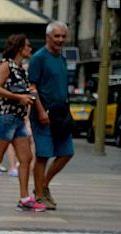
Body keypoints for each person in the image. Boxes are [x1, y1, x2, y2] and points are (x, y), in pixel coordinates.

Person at [0, 34, 45, 212]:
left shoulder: (20, 68)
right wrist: (19, 97)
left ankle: (25, 198)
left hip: (18, 119)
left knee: (26, 158)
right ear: (20, 47)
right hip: (6, 117)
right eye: (28, 46)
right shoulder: (6, 65)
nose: (30, 49)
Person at [28, 21, 73, 210]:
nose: (60, 40)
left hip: (61, 113)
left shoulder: (61, 59)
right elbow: (32, 88)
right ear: (48, 37)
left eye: (63, 36)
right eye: (57, 36)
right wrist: (40, 111)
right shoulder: (39, 58)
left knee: (66, 153)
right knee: (43, 155)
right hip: (43, 113)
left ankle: (44, 185)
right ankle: (38, 195)